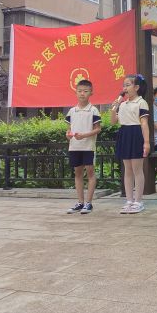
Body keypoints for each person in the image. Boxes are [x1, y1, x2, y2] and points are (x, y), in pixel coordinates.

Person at [111, 74, 150, 214]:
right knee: (127, 169)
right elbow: (113, 122)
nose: (125, 88)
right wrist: (114, 109)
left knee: (137, 169)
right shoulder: (122, 104)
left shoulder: (141, 102)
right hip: (124, 134)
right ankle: (129, 200)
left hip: (136, 134)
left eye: (128, 85)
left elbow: (144, 124)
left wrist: (146, 142)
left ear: (137, 87)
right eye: (124, 85)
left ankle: (138, 201)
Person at [65, 80, 101, 214]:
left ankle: (89, 203)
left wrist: (84, 135)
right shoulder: (71, 111)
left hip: (88, 147)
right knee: (78, 173)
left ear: (91, 93)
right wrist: (68, 135)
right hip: (74, 146)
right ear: (76, 92)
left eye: (85, 91)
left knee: (90, 173)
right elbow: (68, 130)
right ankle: (80, 202)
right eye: (80, 91)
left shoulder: (93, 110)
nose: (82, 94)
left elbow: (98, 129)